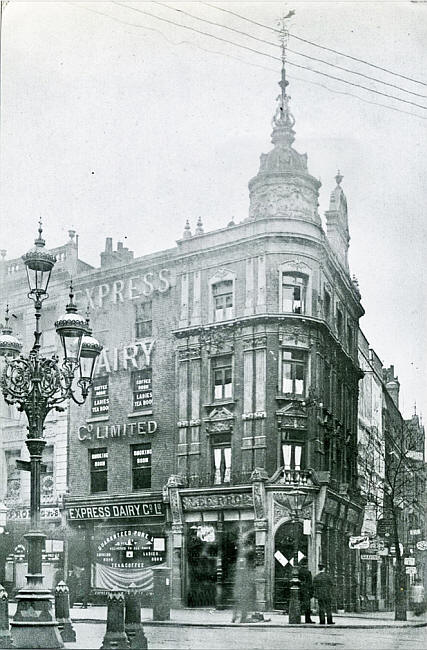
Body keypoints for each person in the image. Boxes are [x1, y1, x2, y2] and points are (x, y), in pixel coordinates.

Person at [298, 558, 314, 623]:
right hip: (306, 591)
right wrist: (311, 592)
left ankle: (297, 618)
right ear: (306, 564)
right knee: (307, 606)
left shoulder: (298, 571)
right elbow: (310, 583)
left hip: (299, 590)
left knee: (299, 604)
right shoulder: (308, 572)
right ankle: (307, 619)